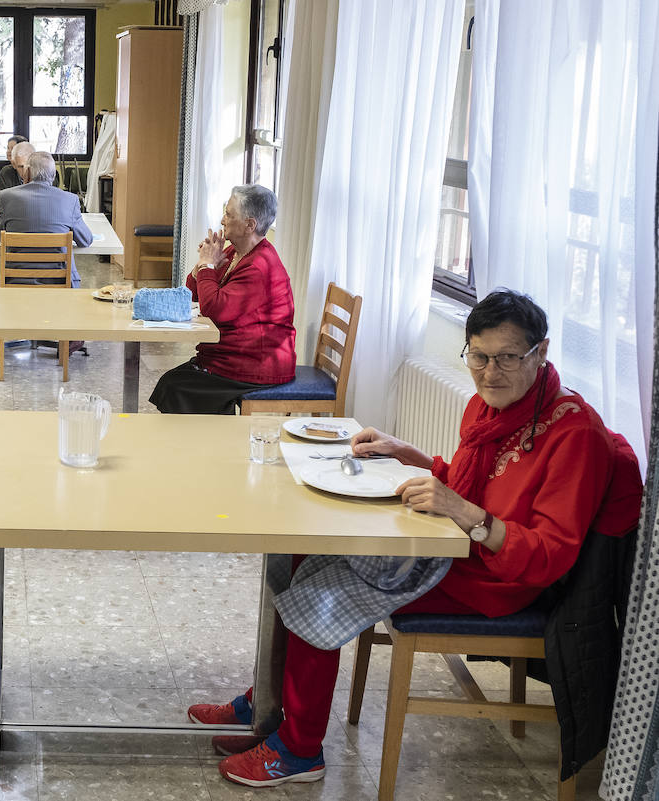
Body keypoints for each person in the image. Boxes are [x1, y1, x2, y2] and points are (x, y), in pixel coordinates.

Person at [186, 289, 642, 788]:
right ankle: (270, 704)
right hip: (457, 548)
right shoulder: (490, 406)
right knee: (301, 550)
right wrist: (408, 454)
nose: (490, 372)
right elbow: (467, 485)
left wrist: (467, 515)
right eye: (479, 357)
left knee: (325, 588)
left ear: (541, 352)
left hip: (497, 580)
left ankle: (300, 750)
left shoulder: (575, 436)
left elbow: (547, 557)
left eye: (508, 358)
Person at [149, 184, 295, 414]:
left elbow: (213, 309)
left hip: (258, 363)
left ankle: (213, 444)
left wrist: (208, 265)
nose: (222, 220)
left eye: (228, 214)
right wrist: (201, 266)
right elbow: (194, 295)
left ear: (250, 225)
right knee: (172, 383)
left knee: (175, 386)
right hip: (233, 354)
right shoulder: (233, 252)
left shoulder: (260, 266)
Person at [0, 150, 91, 287]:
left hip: (14, 279)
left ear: (28, 172)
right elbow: (86, 240)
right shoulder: (70, 200)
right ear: (54, 174)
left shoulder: (6, 196)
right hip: (59, 280)